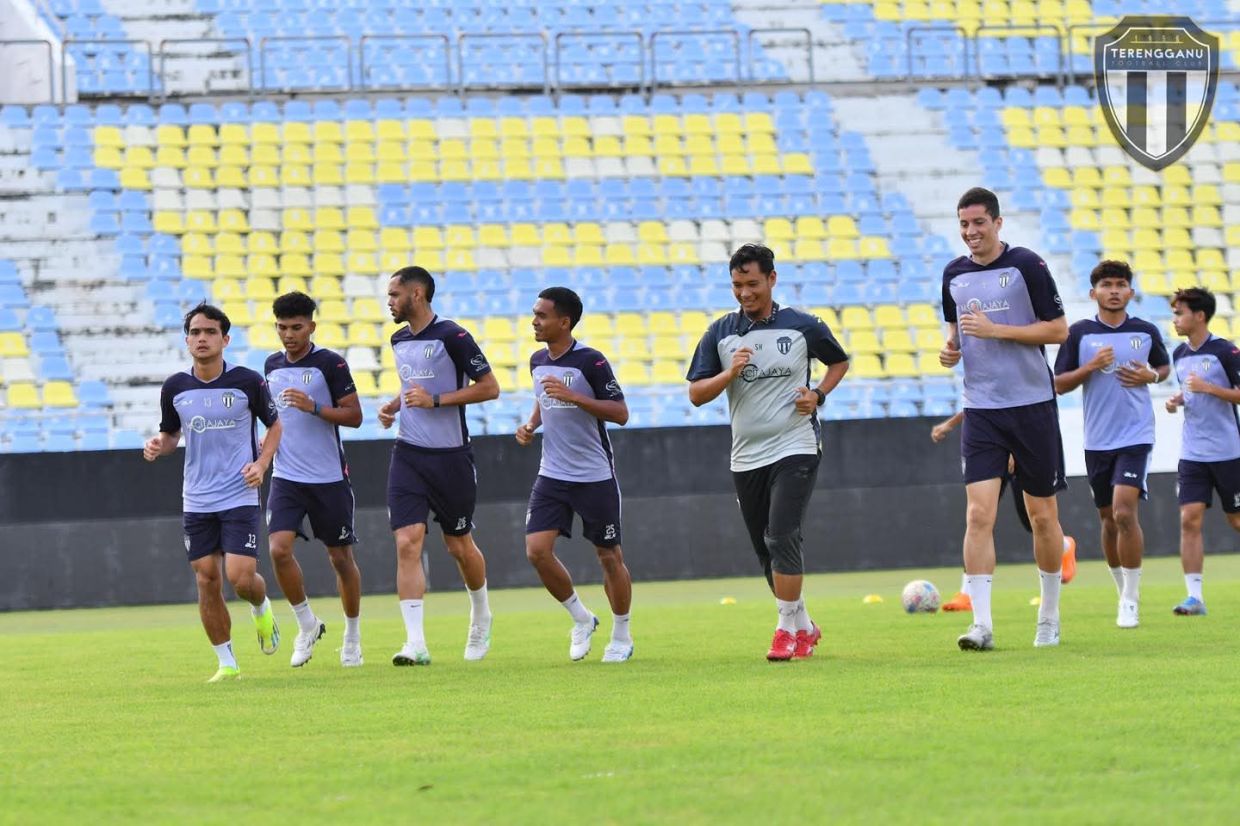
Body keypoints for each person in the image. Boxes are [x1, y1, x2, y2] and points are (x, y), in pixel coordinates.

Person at [686, 243, 850, 661]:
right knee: (765, 548)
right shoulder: (720, 332)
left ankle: (784, 630)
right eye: (737, 285)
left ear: (772, 279)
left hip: (796, 444)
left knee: (782, 534)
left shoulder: (802, 325)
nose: (745, 293)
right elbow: (696, 395)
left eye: (753, 284)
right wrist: (729, 373)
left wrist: (818, 395)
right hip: (746, 456)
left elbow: (839, 362)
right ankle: (804, 624)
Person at [939, 187, 1069, 651]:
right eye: (964, 224)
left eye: (978, 222)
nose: (970, 231)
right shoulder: (953, 274)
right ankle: (982, 625)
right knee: (978, 514)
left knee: (1042, 516)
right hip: (981, 409)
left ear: (997, 223)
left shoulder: (1026, 265)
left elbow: (1058, 329)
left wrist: (997, 331)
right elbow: (955, 333)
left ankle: (1049, 616)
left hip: (1032, 405)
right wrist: (950, 351)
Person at [143, 303, 282, 682]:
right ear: (187, 340)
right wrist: (158, 445)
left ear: (225, 339)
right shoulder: (175, 387)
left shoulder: (248, 381)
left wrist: (262, 464)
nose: (201, 338)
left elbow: (275, 426)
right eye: (195, 332)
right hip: (197, 497)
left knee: (241, 577)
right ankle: (227, 663)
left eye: (209, 332)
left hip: (239, 493)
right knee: (206, 578)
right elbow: (171, 435)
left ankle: (261, 606)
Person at [378, 266, 501, 665]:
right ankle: (415, 643)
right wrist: (394, 405)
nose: (389, 301)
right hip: (408, 454)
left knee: (458, 545)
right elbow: (410, 385)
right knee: (407, 541)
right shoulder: (398, 339)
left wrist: (435, 401)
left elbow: (490, 388)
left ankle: (481, 614)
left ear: (417, 294)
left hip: (451, 458)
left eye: (394, 294)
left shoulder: (453, 336)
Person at [515, 287, 635, 662]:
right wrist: (531, 424)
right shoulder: (537, 360)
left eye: (542, 315)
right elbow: (544, 398)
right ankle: (582, 618)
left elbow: (620, 413)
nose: (534, 321)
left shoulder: (591, 362)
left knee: (609, 556)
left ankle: (621, 635)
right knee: (537, 551)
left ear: (564, 322)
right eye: (534, 314)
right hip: (552, 474)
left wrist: (575, 398)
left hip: (594, 475)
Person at [1053, 260, 1169, 628]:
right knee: (1107, 519)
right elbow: (1059, 384)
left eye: (1121, 284)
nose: (1114, 290)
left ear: (1130, 292)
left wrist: (1151, 376)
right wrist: (1090, 367)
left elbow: (1163, 368)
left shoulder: (1145, 331)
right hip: (1097, 439)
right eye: (1107, 285)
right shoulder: (1079, 334)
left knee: (1123, 512)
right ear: (1094, 293)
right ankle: (1122, 591)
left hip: (1136, 435)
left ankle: (1131, 599)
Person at [264, 291, 366, 667]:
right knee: (278, 550)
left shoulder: (330, 364)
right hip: (286, 477)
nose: (288, 334)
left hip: (328, 478)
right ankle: (307, 623)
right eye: (282, 327)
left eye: (296, 327)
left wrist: (315, 407)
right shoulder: (271, 365)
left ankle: (352, 637)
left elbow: (355, 416)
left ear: (311, 326)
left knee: (340, 558)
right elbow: (274, 418)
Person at [929, 412, 1078, 612]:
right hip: (991, 449)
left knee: (1032, 521)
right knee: (979, 518)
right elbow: (980, 402)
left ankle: (1064, 546)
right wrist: (950, 423)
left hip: (1020, 445)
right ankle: (967, 594)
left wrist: (1013, 449)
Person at [1164, 287, 1240, 616]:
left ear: (1199, 316)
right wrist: (1177, 400)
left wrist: (1208, 388)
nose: (1175, 319)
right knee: (1189, 519)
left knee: (1236, 520)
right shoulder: (1179, 354)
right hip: (1193, 452)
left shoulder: (1226, 351)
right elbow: (1189, 390)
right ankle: (1194, 598)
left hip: (1228, 451)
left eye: (1179, 313)